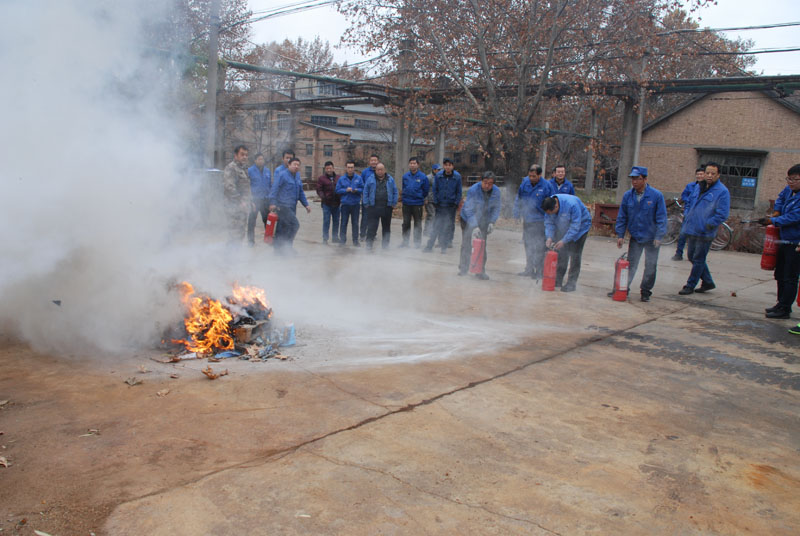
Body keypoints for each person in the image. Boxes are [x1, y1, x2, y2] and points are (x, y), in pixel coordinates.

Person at [612, 166, 667, 302]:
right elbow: (622, 217)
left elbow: (661, 218)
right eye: (633, 179)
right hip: (636, 236)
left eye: (638, 179)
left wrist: (659, 236)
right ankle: (623, 288)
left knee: (650, 265)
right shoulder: (628, 196)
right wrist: (620, 235)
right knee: (631, 264)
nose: (635, 182)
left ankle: (646, 291)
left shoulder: (656, 196)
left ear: (645, 179)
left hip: (652, 238)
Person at [678, 162, 730, 295]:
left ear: (718, 175)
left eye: (713, 174)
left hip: (705, 231)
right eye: (708, 173)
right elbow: (690, 202)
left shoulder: (722, 192)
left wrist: (708, 224)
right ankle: (707, 281)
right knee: (691, 256)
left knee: (698, 259)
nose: (709, 176)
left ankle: (690, 285)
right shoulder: (698, 187)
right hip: (692, 228)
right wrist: (688, 216)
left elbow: (722, 214)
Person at [759, 164, 800, 319]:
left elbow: (794, 217)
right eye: (789, 179)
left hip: (796, 242)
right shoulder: (789, 190)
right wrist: (776, 211)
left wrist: (773, 220)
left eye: (795, 179)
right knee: (780, 273)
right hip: (783, 239)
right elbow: (781, 198)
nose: (791, 182)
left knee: (790, 276)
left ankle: (785, 308)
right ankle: (780, 303)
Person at [542, 194, 592, 292]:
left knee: (575, 255)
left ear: (556, 206)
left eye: (551, 213)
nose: (550, 215)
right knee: (561, 253)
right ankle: (558, 279)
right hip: (564, 227)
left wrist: (564, 241)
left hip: (581, 228)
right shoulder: (549, 205)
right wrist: (549, 237)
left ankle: (571, 283)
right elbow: (549, 223)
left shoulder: (572, 205)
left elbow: (575, 227)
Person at [513, 164, 555, 279]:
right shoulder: (525, 183)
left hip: (540, 220)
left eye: (534, 176)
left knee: (540, 246)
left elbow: (551, 203)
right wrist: (516, 213)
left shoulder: (547, 186)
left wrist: (550, 221)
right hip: (527, 219)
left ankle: (539, 271)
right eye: (530, 175)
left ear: (540, 175)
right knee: (528, 244)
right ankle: (529, 269)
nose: (531, 178)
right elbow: (519, 198)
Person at [459, 171, 502, 279]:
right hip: (467, 219)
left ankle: (480, 270)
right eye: (485, 182)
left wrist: (492, 222)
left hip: (484, 220)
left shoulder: (496, 192)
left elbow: (496, 208)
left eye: (490, 183)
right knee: (467, 244)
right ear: (481, 181)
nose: (487, 186)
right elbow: (469, 209)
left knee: (482, 244)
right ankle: (463, 269)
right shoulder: (473, 190)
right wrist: (474, 226)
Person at [269, 157, 311, 253]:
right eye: (294, 164)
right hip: (282, 206)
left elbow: (300, 192)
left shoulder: (297, 176)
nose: (296, 166)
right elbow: (274, 189)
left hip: (292, 206)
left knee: (284, 227)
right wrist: (272, 202)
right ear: (289, 165)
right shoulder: (282, 175)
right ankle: (285, 248)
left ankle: (281, 249)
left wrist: (306, 205)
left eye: (298, 165)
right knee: (294, 225)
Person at [424, 158, 462, 253]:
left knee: (448, 226)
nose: (448, 167)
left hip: (451, 205)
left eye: (450, 165)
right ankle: (429, 246)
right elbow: (435, 189)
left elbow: (459, 191)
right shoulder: (438, 176)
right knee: (437, 225)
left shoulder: (457, 177)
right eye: (446, 165)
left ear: (452, 166)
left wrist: (456, 203)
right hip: (440, 205)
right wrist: (436, 202)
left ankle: (445, 246)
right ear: (444, 166)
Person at [362, 162, 398, 250]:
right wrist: (366, 203)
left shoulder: (390, 179)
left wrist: (393, 203)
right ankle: (369, 245)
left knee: (386, 228)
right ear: (375, 170)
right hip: (373, 207)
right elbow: (365, 191)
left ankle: (385, 246)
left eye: (381, 169)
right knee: (372, 227)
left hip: (387, 207)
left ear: (384, 170)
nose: (380, 171)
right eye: (378, 169)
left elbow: (395, 191)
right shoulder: (370, 179)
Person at [672, 167, 705, 261]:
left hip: (700, 216)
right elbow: (686, 197)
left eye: (701, 174)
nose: (699, 176)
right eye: (698, 174)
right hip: (689, 214)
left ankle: (694, 255)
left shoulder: (707, 188)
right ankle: (678, 254)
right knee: (683, 234)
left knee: (696, 236)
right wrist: (687, 207)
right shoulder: (691, 186)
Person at [223, 145, 251, 246]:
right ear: (236, 156)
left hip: (242, 207)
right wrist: (241, 201)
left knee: (241, 233)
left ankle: (235, 255)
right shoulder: (231, 168)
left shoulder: (244, 169)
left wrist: (250, 201)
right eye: (242, 154)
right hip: (233, 207)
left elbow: (246, 189)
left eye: (246, 155)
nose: (245, 157)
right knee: (234, 233)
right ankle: (229, 258)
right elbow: (229, 187)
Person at [400, 157, 430, 248]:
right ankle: (405, 242)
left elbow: (425, 190)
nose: (412, 165)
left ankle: (417, 243)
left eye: (414, 163)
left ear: (418, 165)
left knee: (417, 224)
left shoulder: (423, 177)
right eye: (411, 163)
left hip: (417, 204)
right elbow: (404, 188)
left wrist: (420, 197)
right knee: (406, 223)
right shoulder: (405, 176)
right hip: (406, 203)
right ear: (409, 165)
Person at [336, 161, 363, 247]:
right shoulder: (341, 179)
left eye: (352, 167)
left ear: (354, 168)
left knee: (355, 223)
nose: (350, 169)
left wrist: (357, 190)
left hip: (355, 204)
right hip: (345, 204)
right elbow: (337, 190)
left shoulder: (358, 178)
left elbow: (363, 189)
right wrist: (345, 190)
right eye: (348, 167)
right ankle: (342, 241)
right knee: (343, 223)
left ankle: (355, 241)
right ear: (346, 168)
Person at [246, 153, 271, 246]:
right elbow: (247, 186)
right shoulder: (250, 171)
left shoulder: (267, 171)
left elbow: (269, 185)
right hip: (254, 200)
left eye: (262, 159)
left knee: (267, 221)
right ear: (255, 160)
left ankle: (268, 239)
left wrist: (270, 198)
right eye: (259, 159)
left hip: (265, 200)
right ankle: (251, 241)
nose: (261, 161)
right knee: (252, 221)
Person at [316, 161, 340, 244]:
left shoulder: (338, 178)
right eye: (327, 168)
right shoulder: (321, 178)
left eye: (330, 168)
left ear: (333, 168)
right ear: (325, 169)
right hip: (327, 204)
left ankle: (335, 237)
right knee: (326, 221)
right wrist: (323, 197)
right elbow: (319, 190)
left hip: (337, 204)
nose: (329, 170)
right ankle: (325, 238)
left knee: (336, 221)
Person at [359, 154, 379, 241]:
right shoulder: (365, 172)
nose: (374, 162)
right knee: (365, 217)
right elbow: (361, 184)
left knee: (375, 218)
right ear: (369, 161)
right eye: (372, 160)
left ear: (378, 161)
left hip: (378, 200)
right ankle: (363, 235)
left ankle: (372, 235)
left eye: (375, 160)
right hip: (366, 199)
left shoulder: (380, 171)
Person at [424, 163, 440, 237]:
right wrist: (425, 198)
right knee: (431, 215)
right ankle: (428, 231)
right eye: (438, 169)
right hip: (429, 200)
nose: (439, 171)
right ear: (434, 170)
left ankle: (429, 230)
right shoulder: (428, 177)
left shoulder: (440, 177)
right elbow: (425, 189)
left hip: (436, 200)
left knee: (432, 216)